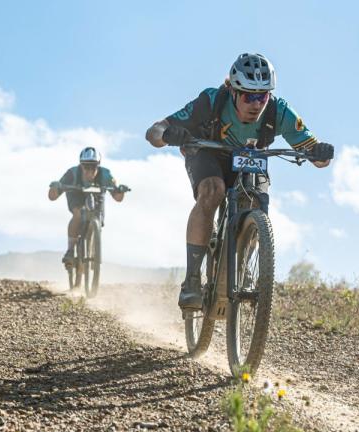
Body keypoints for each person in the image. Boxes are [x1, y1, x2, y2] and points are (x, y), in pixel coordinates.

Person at [145, 53, 334, 310]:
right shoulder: (211, 101)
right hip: (209, 154)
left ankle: (244, 263)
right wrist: (168, 133)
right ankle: (191, 280)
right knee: (213, 191)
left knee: (256, 202)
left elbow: (315, 155)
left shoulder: (280, 111)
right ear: (233, 91)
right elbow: (153, 132)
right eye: (249, 96)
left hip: (250, 160)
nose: (256, 104)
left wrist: (321, 154)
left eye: (263, 96)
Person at [49, 147, 128, 265]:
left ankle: (92, 248)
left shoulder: (106, 174)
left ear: (98, 165)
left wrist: (121, 191)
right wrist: (55, 187)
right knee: (78, 215)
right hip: (76, 193)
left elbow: (117, 198)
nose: (89, 171)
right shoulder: (72, 173)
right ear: (81, 165)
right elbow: (52, 196)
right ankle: (70, 250)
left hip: (97, 195)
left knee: (98, 220)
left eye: (93, 167)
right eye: (86, 166)